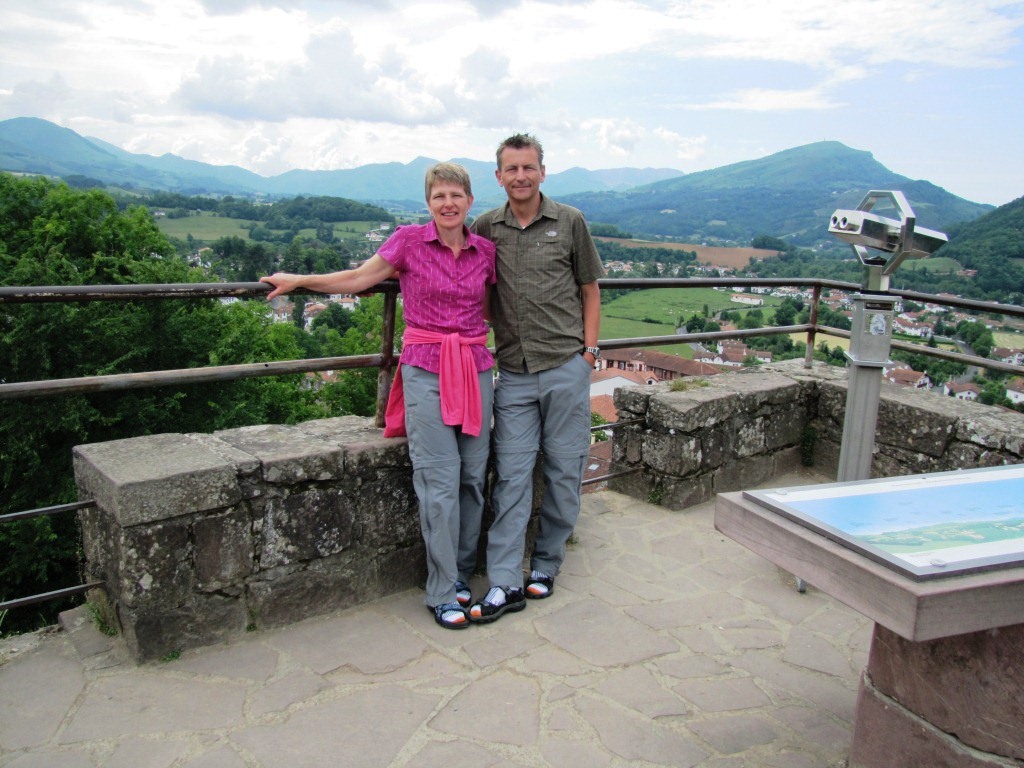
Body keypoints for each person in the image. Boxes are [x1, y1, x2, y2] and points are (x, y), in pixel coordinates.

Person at [260, 162, 496, 630]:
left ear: (470, 201)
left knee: (473, 477)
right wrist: (300, 281)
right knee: (439, 480)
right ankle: (442, 590)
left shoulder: (485, 251)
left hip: (475, 368)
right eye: (439, 196)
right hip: (426, 367)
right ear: (428, 203)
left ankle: (462, 571)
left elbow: (494, 309)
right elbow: (357, 279)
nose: (448, 203)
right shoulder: (409, 241)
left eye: (456, 195)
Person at [467, 133, 603, 623]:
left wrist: (588, 355)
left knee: (564, 470)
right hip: (515, 373)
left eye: (528, 167)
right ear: (498, 176)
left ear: (543, 172)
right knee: (510, 477)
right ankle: (504, 581)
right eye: (512, 169)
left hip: (566, 365)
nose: (520, 176)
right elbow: (472, 283)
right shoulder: (486, 227)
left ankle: (546, 562)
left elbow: (590, 289)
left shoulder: (569, 221)